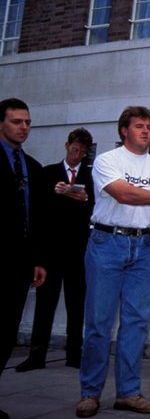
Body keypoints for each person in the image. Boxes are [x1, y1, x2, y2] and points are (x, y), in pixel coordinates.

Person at [76, 106, 150, 418]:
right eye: (139, 125)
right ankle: (90, 393)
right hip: (106, 244)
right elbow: (123, 193)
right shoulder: (106, 161)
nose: (146, 131)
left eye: (149, 126)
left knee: (137, 324)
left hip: (142, 246)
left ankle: (128, 392)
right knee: (99, 324)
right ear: (124, 130)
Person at [16, 128, 94, 372]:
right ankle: (36, 356)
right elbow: (37, 213)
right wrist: (37, 256)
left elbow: (95, 210)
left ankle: (74, 355)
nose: (77, 154)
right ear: (66, 146)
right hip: (50, 253)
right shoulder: (47, 173)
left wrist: (83, 199)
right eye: (74, 149)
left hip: (78, 253)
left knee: (76, 304)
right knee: (44, 304)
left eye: (82, 152)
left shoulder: (91, 177)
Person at [0, 97, 47, 419]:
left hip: (20, 265)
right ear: (1, 123)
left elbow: (37, 218)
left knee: (6, 334)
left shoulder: (31, 166)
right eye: (17, 121)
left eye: (28, 122)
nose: (24, 127)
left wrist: (38, 260)